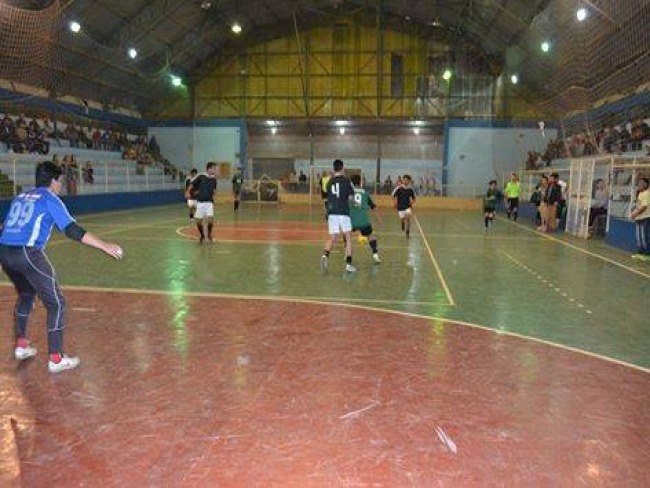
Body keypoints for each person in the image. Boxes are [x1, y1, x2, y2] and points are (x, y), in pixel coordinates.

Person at [0, 161, 123, 373]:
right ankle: (56, 358)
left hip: (4, 251)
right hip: (27, 253)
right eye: (61, 181)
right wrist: (105, 246)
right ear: (53, 181)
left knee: (27, 294)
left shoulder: (20, 197)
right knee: (56, 303)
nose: (61, 185)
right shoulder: (49, 199)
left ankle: (21, 345)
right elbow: (72, 230)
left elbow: (6, 226)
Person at [321, 159, 356, 273]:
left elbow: (327, 196)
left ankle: (325, 255)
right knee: (348, 237)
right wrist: (354, 203)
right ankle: (348, 265)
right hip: (343, 212)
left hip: (332, 212)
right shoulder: (346, 181)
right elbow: (351, 197)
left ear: (333, 168)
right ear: (342, 168)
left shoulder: (329, 182)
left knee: (333, 237)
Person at [349, 174, 381, 264]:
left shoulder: (348, 193)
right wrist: (379, 218)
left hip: (351, 220)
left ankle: (348, 256)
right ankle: (375, 254)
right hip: (364, 220)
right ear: (360, 182)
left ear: (351, 182)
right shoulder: (365, 193)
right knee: (371, 235)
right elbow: (373, 207)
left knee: (347, 236)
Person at [187, 162, 217, 244]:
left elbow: (214, 190)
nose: (215, 170)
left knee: (210, 220)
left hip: (209, 203)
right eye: (214, 168)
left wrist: (214, 192)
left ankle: (209, 235)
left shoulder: (214, 179)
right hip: (200, 203)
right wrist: (188, 191)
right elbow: (192, 184)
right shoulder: (201, 176)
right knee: (198, 221)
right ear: (209, 168)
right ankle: (202, 235)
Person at [630, 177, 650, 261]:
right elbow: (639, 205)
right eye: (639, 183)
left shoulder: (647, 193)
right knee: (639, 237)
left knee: (644, 236)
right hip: (638, 218)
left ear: (646, 184)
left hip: (645, 218)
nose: (639, 184)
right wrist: (633, 211)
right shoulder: (640, 193)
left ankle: (647, 254)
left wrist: (635, 214)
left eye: (641, 183)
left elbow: (644, 207)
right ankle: (640, 253)